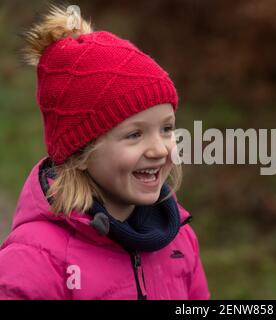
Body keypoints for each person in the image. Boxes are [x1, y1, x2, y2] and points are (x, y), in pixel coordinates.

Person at [0, 5, 210, 300]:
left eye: (166, 129)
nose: (160, 148)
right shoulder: (35, 260)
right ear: (81, 152)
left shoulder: (178, 240)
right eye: (135, 134)